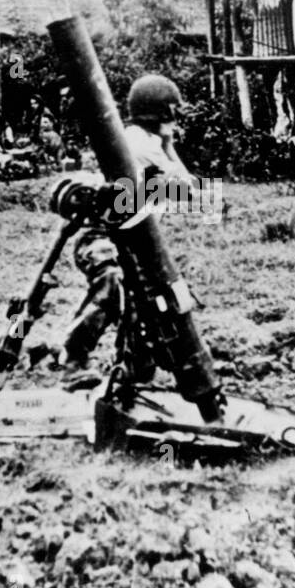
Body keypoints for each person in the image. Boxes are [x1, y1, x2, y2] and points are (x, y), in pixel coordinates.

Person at [59, 74, 196, 387]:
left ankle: (132, 374)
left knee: (146, 302)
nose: (176, 121)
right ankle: (73, 358)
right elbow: (188, 190)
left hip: (130, 240)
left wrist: (169, 145)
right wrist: (169, 150)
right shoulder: (138, 142)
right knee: (113, 282)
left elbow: (185, 189)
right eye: (173, 112)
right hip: (102, 235)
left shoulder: (150, 142)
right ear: (163, 113)